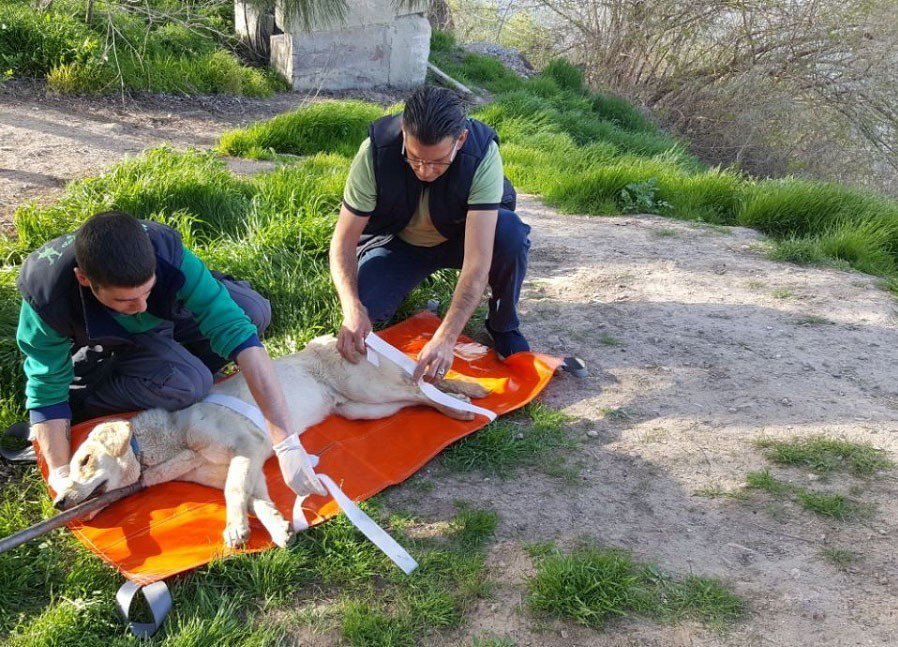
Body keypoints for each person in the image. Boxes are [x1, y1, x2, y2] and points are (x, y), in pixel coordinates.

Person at [15, 211, 324, 501]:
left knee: (253, 311)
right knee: (191, 384)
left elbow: (238, 332)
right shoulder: (48, 297)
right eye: (125, 299)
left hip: (167, 317)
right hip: (114, 339)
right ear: (84, 279)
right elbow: (45, 387)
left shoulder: (167, 253)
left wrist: (285, 442)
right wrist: (59, 472)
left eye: (146, 291)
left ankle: (169, 362)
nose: (141, 306)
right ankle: (92, 393)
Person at [330, 86, 531, 381]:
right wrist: (352, 308)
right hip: (397, 243)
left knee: (510, 234)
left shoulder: (482, 153)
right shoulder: (374, 151)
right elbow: (343, 243)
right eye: (414, 157)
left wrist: (447, 337)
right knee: (368, 310)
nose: (424, 170)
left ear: (460, 140)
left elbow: (478, 262)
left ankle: (504, 325)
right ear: (403, 131)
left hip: (458, 238)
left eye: (438, 161)